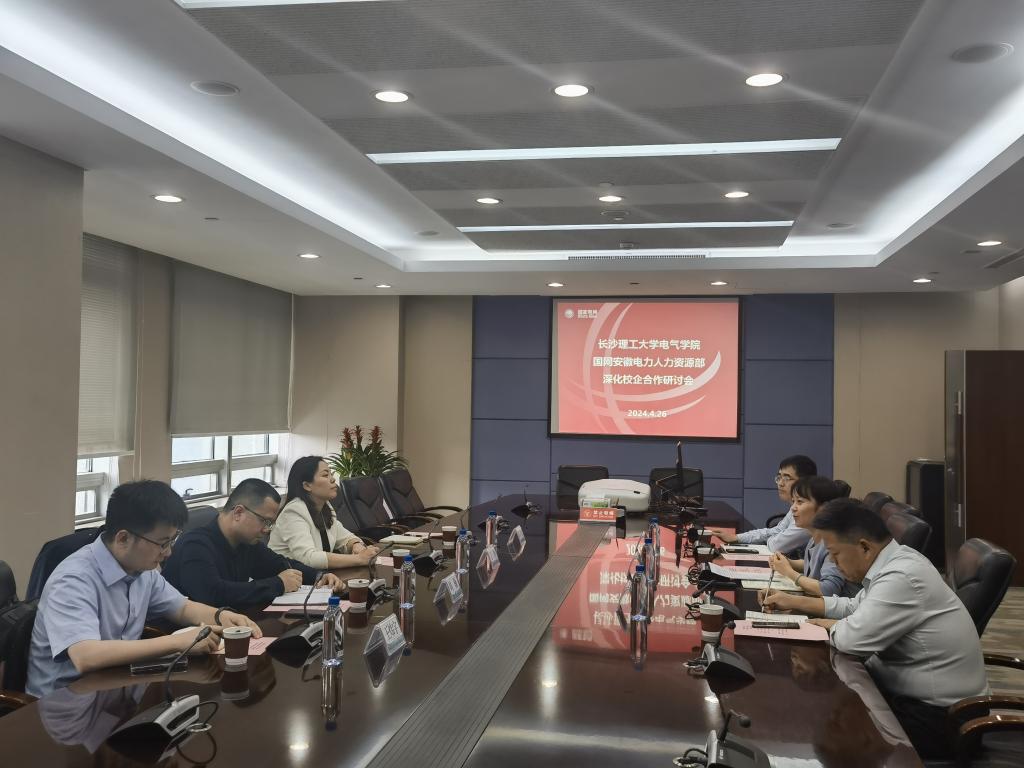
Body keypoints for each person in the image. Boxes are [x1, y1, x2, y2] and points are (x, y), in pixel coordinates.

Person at [762, 498, 987, 758]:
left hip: (942, 718)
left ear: (865, 547)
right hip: (916, 701)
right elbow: (853, 607)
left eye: (835, 554)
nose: (833, 562)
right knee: (831, 706)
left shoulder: (901, 576)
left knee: (838, 723)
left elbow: (851, 639)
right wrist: (794, 601)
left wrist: (832, 626)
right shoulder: (893, 563)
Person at [27, 481, 261, 698]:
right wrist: (177, 642)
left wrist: (221, 616)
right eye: (162, 543)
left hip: (117, 689)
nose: (168, 552)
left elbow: (181, 608)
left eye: (171, 541)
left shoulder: (141, 569)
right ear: (123, 538)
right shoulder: (73, 579)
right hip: (63, 704)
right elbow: (85, 656)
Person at [162, 478, 343, 608]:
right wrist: (278, 584)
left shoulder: (246, 542)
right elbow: (213, 594)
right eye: (265, 521)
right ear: (238, 513)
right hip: (183, 638)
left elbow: (280, 564)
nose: (267, 529)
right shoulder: (195, 545)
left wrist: (319, 576)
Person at [268, 456, 379, 569]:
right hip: (286, 576)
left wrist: (356, 545)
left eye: (331, 474)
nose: (333, 479)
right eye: (325, 475)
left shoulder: (324, 506)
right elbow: (308, 558)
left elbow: (344, 537)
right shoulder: (293, 512)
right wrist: (359, 559)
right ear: (307, 485)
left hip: (315, 576)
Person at [766, 476, 859, 598]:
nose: (793, 508)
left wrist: (789, 572)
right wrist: (789, 563)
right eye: (793, 501)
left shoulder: (833, 542)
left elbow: (828, 590)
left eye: (800, 502)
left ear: (823, 508)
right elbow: (815, 563)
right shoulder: (814, 538)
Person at [717, 454, 817, 553]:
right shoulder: (795, 508)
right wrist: (737, 537)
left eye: (786, 478)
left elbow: (777, 546)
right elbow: (776, 531)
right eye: (779, 477)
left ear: (805, 482)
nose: (780, 483)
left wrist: (771, 539)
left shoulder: (808, 515)